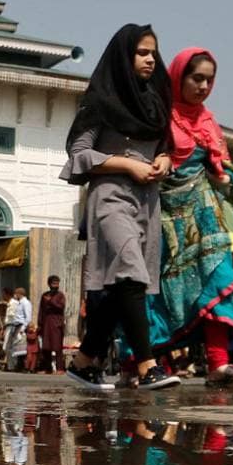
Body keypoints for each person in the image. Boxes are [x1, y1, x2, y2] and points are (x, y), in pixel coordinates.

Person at [126, 47, 233, 388]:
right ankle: (143, 365)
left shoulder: (210, 123)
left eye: (209, 80)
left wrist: (222, 176)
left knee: (217, 280)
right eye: (196, 77)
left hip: (204, 220)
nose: (203, 86)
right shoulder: (158, 114)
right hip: (161, 217)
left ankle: (218, 364)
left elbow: (230, 181)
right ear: (178, 76)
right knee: (155, 293)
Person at [60, 23, 177, 392]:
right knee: (129, 268)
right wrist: (126, 163)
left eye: (153, 53)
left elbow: (165, 147)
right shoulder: (101, 101)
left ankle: (83, 363)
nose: (150, 59)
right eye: (142, 52)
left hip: (147, 201)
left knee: (119, 287)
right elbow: (78, 154)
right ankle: (147, 367)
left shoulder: (157, 102)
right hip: (110, 194)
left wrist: (164, 161)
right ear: (124, 57)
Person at [36, 275, 68, 373]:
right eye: (54, 283)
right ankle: (48, 369)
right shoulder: (44, 295)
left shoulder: (60, 295)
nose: (56, 285)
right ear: (49, 284)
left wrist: (51, 301)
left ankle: (60, 368)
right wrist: (40, 324)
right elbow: (41, 310)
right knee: (46, 347)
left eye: (57, 283)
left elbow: (61, 307)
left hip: (56, 322)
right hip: (46, 323)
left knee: (57, 346)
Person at [3, 285, 31, 371]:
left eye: (16, 293)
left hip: (19, 326)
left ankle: (17, 366)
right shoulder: (19, 303)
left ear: (19, 294)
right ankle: (13, 366)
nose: (15, 295)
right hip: (14, 326)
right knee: (13, 347)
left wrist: (23, 328)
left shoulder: (25, 303)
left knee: (18, 348)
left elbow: (28, 317)